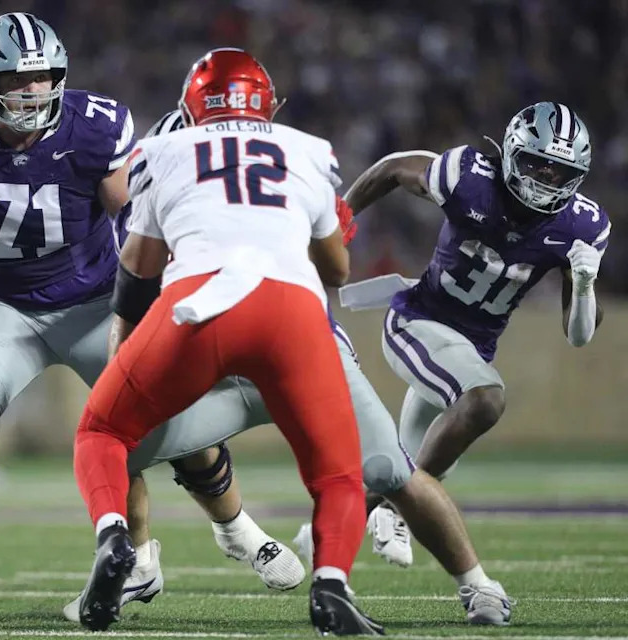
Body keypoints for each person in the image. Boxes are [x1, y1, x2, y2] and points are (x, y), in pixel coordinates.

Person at [0, 13, 301, 623]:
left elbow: (130, 218)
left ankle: (237, 528)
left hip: (96, 300)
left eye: (45, 78)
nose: (34, 92)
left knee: (165, 411)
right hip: (5, 304)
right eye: (18, 80)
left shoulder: (93, 128)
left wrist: (164, 282)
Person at [70, 108, 513, 627]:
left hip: (242, 358)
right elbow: (334, 263)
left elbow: (139, 307)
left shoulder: (180, 185)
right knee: (374, 471)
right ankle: (150, 566)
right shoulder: (278, 173)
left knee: (390, 469)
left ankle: (476, 583)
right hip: (279, 358)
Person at [71, 48, 382, 635]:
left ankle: (117, 538)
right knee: (338, 474)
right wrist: (323, 226)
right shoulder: (307, 151)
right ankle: (333, 585)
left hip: (198, 303)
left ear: (191, 109)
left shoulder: (163, 151)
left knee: (101, 430)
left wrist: (126, 352)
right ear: (269, 105)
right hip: (290, 309)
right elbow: (337, 272)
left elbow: (136, 272)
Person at [341, 100, 607, 608]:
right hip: (418, 322)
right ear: (509, 153)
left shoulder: (582, 225)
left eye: (561, 170)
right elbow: (395, 166)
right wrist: (338, 222)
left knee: (408, 467)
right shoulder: (470, 176)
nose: (547, 178)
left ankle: (329, 529)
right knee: (484, 400)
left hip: (471, 347)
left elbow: (579, 336)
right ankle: (422, 539)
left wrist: (585, 280)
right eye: (536, 163)